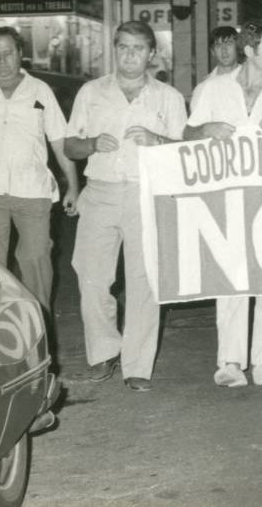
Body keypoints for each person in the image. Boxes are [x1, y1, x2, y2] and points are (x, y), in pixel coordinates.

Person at [64, 21, 187, 392]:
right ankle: (103, 352)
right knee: (92, 278)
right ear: (113, 49)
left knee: (144, 280)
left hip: (145, 194)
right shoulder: (91, 91)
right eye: (123, 47)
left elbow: (185, 153)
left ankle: (137, 364)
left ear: (152, 54)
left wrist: (156, 139)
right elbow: (70, 146)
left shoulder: (168, 97)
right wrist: (89, 146)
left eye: (138, 48)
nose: (130, 55)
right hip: (100, 191)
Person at [185, 23, 262, 388]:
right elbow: (185, 134)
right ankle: (231, 360)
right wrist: (206, 130)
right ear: (250, 51)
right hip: (228, 197)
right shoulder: (212, 89)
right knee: (231, 279)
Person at [0, 26, 80, 311]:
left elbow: (59, 140)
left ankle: (38, 330)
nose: (2, 60)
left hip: (32, 189)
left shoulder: (40, 90)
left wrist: (73, 185)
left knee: (36, 260)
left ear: (20, 53)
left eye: (8, 53)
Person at [190, 26, 240, 110]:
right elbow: (197, 122)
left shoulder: (252, 79)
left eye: (228, 44)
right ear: (213, 52)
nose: (224, 50)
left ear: (238, 48)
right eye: (218, 45)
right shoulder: (204, 88)